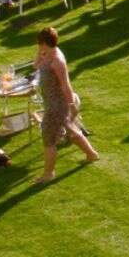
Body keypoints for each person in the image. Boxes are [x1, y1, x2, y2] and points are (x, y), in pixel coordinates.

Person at [35, 25, 100, 184]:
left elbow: (65, 84)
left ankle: (49, 173)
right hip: (52, 101)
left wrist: (72, 105)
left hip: (57, 104)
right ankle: (91, 154)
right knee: (71, 129)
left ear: (43, 42)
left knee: (48, 137)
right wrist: (39, 53)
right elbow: (35, 66)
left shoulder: (57, 60)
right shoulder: (47, 53)